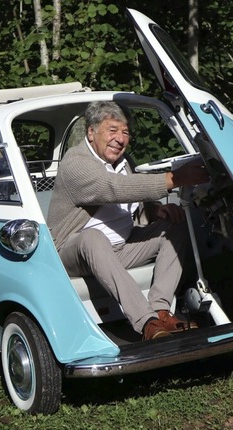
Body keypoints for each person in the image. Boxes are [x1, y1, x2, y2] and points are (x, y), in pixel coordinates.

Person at [47, 101, 209, 341]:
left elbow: (131, 203)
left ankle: (162, 310)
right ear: (91, 132)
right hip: (73, 251)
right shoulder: (75, 162)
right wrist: (174, 178)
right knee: (93, 237)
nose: (120, 139)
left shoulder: (122, 164)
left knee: (176, 224)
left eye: (125, 132)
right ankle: (146, 322)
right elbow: (112, 188)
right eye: (112, 130)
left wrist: (156, 212)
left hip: (120, 247)